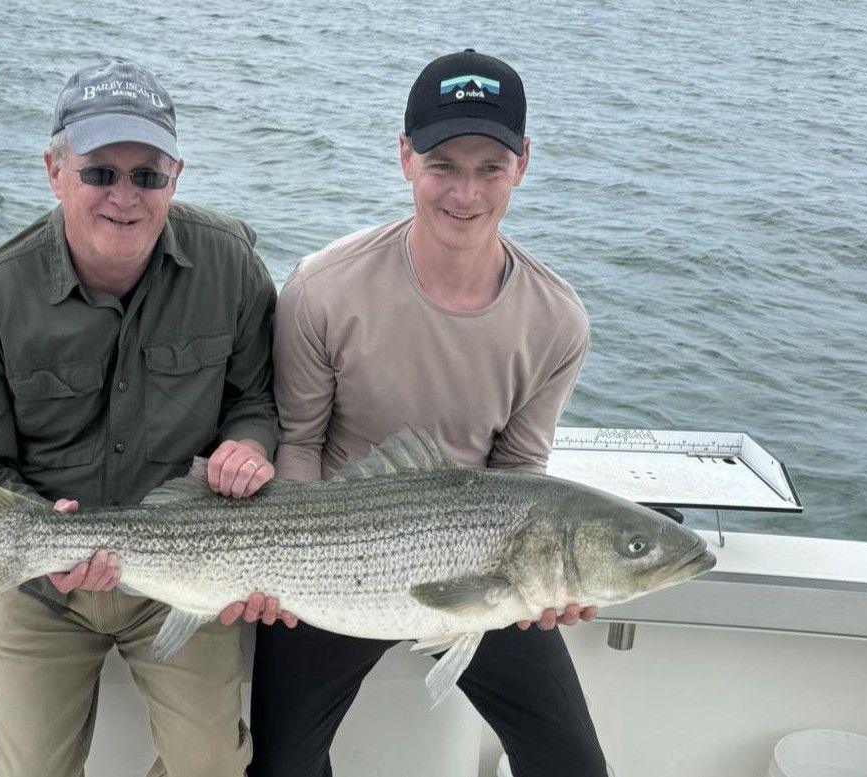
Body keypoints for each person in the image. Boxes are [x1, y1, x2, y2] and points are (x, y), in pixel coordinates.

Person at [0, 58, 289, 777]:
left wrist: (247, 442)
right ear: (55, 171)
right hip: (42, 592)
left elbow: (254, 395)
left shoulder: (232, 267)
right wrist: (41, 543)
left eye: (146, 175)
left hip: (189, 574)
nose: (124, 196)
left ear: (175, 177)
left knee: (213, 764)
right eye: (99, 173)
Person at [250, 50, 607, 776]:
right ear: (405, 156)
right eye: (443, 163)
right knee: (281, 763)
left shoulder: (556, 318)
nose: (465, 192)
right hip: (331, 552)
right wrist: (285, 565)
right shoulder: (323, 287)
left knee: (573, 763)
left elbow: (519, 472)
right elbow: (298, 438)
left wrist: (543, 584)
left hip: (482, 562)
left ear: (524, 162)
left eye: (489, 167)